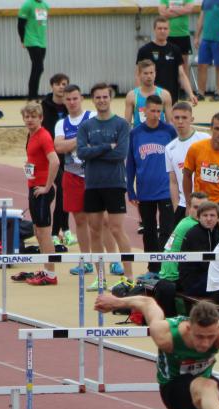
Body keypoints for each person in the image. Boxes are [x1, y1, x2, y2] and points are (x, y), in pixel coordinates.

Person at [77, 83, 134, 285]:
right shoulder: (86, 126)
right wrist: (106, 147)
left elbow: (121, 154)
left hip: (114, 183)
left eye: (105, 97)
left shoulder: (121, 125)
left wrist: (95, 151)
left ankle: (129, 276)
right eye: (98, 97)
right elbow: (81, 152)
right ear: (93, 100)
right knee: (95, 229)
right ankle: (100, 278)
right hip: (92, 185)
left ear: (110, 98)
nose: (102, 100)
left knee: (117, 229)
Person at [127, 95, 176, 273]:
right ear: (144, 111)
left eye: (159, 111)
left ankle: (165, 266)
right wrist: (130, 191)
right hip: (144, 191)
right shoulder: (135, 133)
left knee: (167, 230)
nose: (155, 115)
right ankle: (152, 267)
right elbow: (130, 163)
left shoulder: (169, 131)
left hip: (166, 190)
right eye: (152, 111)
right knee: (148, 231)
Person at [54, 84, 97, 267]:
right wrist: (80, 138)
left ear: (81, 99)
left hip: (93, 174)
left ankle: (109, 259)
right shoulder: (61, 124)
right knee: (79, 220)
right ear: (64, 100)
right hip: (72, 175)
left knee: (98, 221)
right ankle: (85, 259)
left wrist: (70, 142)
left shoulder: (91, 117)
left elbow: (96, 141)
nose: (72, 102)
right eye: (68, 99)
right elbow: (59, 147)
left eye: (75, 98)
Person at [19, 101, 60, 285]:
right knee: (37, 231)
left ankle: (50, 274)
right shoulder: (31, 134)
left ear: (41, 118)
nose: (29, 120)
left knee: (44, 232)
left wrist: (47, 186)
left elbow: (55, 161)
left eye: (33, 117)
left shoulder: (43, 136)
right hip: (33, 186)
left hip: (41, 190)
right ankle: (45, 268)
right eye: (27, 117)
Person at [153, 193, 210, 316]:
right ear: (189, 208)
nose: (199, 211)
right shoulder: (192, 226)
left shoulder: (185, 221)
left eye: (203, 208)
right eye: (195, 207)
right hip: (175, 277)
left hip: (167, 274)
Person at [136, 17, 197, 104]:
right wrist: (139, 96)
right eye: (160, 28)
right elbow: (138, 75)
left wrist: (190, 94)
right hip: (151, 99)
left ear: (169, 31)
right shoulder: (144, 50)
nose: (162, 31)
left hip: (171, 97)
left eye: (165, 28)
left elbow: (182, 75)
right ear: (154, 30)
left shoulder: (175, 50)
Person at [167, 101, 210, 223]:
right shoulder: (170, 148)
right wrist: (176, 205)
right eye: (177, 118)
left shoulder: (205, 138)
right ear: (172, 120)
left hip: (206, 202)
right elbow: (173, 181)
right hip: (184, 203)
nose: (180, 121)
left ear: (192, 119)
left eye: (184, 117)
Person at [41, 74, 72, 245]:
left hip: (67, 155)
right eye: (58, 84)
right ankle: (55, 231)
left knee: (64, 191)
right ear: (52, 86)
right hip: (50, 155)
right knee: (60, 187)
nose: (61, 87)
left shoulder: (70, 107)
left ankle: (63, 229)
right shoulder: (44, 107)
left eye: (64, 84)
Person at [178, 200, 219, 296]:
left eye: (212, 215)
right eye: (205, 215)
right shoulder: (194, 233)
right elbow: (204, 263)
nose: (208, 219)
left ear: (218, 218)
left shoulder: (217, 233)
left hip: (207, 277)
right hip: (193, 282)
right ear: (198, 217)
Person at [195, 0, 219, 100]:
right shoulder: (205, 1)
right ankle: (201, 93)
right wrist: (196, 36)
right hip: (206, 39)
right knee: (201, 65)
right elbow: (201, 19)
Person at [124, 60, 173, 127]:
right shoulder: (132, 96)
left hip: (160, 135)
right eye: (146, 73)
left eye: (151, 73)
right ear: (139, 75)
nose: (149, 76)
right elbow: (127, 124)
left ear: (155, 74)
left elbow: (170, 123)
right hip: (140, 136)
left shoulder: (164, 95)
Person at [18, 0, 49, 100]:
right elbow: (20, 24)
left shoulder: (45, 5)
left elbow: (41, 24)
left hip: (42, 41)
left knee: (37, 69)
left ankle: (33, 94)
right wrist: (22, 39)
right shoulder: (28, 5)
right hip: (31, 40)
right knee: (38, 67)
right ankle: (32, 96)